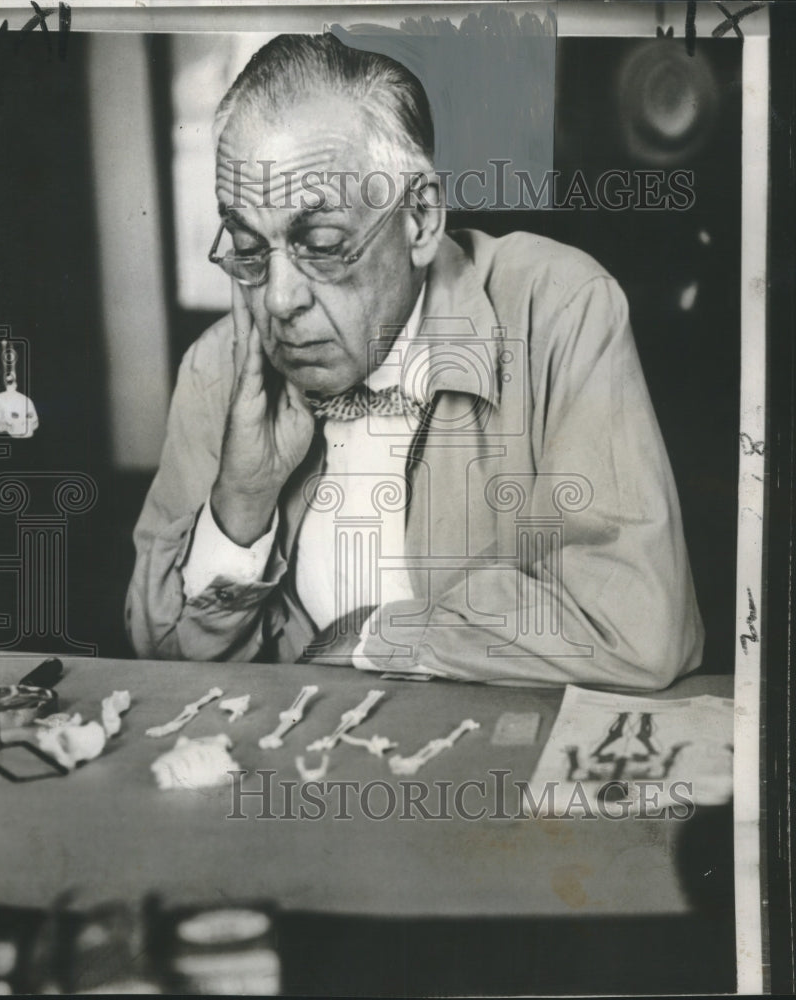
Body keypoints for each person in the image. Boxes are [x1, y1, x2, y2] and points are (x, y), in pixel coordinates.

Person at [126, 33, 704, 688]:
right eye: (248, 249)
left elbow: (636, 631)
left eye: (319, 243)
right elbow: (160, 668)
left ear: (420, 219)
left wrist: (372, 635)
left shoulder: (556, 309)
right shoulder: (221, 366)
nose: (278, 301)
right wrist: (243, 498)